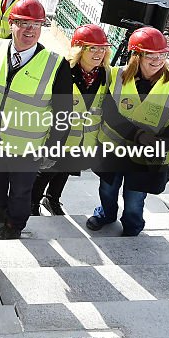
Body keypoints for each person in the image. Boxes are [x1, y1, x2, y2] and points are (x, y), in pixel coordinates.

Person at [0, 0, 72, 240]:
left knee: (21, 190)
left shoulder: (55, 65)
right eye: (24, 23)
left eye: (36, 24)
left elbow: (63, 112)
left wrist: (53, 148)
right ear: (10, 23)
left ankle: (14, 225)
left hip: (27, 145)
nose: (30, 30)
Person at [86, 27, 169, 237]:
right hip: (114, 150)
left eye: (161, 55)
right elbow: (109, 112)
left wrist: (161, 145)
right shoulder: (116, 76)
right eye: (150, 55)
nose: (157, 60)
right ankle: (106, 214)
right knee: (107, 190)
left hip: (146, 157)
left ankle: (132, 226)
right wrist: (139, 136)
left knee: (135, 198)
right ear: (136, 56)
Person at [31, 24, 112, 216]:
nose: (98, 53)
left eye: (102, 48)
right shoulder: (61, 70)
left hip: (82, 139)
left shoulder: (105, 75)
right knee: (45, 172)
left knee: (65, 170)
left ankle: (52, 199)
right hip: (58, 136)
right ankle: (32, 203)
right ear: (79, 49)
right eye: (92, 47)